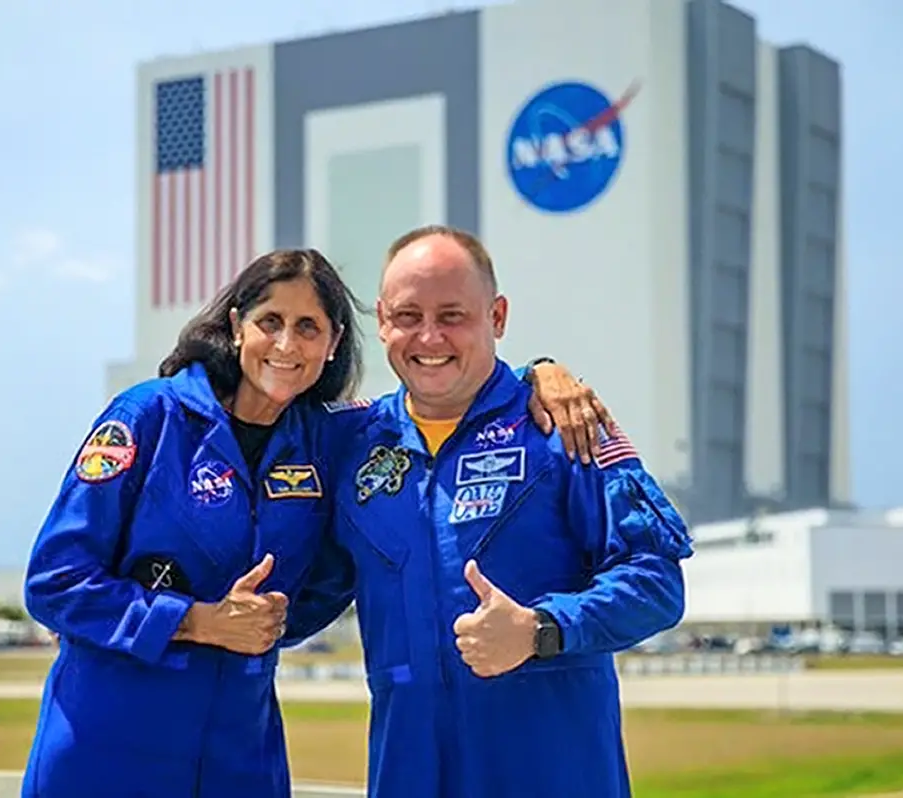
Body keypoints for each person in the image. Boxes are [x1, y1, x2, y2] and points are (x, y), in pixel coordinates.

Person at [21, 246, 610, 798]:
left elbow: (454, 395)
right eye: (270, 321)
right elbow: (55, 582)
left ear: (332, 345)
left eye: (309, 327)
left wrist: (542, 372)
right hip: (109, 740)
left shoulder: (334, 438)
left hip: (240, 754)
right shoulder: (150, 417)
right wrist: (198, 622)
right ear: (235, 327)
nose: (286, 343)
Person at [286, 226, 695, 798]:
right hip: (409, 773)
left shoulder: (564, 428)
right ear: (381, 320)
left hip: (554, 774)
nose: (429, 337)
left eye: (453, 315)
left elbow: (657, 582)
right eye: (408, 315)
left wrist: (540, 629)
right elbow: (308, 590)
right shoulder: (350, 442)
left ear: (497, 317)